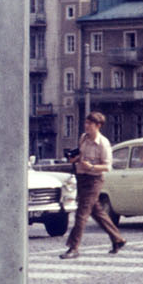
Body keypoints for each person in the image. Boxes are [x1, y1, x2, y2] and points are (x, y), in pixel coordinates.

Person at [60, 111, 127, 259]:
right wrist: (74, 159)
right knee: (97, 212)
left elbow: (107, 167)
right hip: (82, 179)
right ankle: (118, 240)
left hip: (94, 181)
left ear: (98, 126)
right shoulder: (83, 138)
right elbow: (80, 157)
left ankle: (74, 247)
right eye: (86, 123)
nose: (86, 126)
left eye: (90, 124)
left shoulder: (103, 143)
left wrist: (91, 167)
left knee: (81, 214)